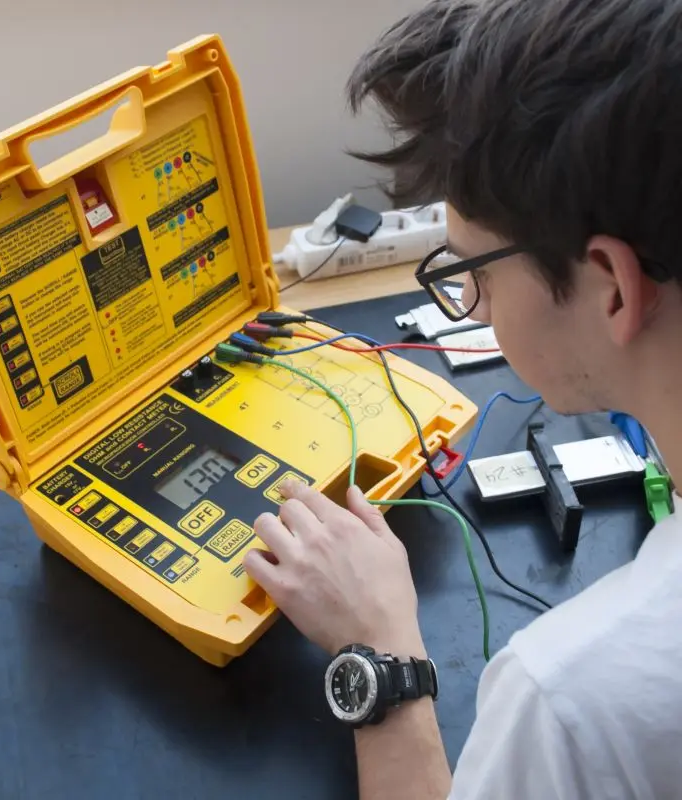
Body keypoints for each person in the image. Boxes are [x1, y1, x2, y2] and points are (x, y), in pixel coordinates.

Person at [242, 0, 682, 797]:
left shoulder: (573, 704)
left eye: (474, 273)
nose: (472, 309)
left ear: (613, 287)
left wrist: (381, 653)